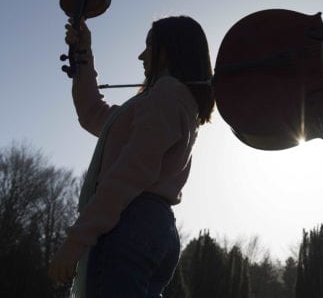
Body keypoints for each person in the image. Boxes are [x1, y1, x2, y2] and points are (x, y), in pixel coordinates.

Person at [49, 16, 214, 297]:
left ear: (166, 51)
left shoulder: (167, 96)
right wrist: (83, 54)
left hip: (131, 222)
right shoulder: (161, 102)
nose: (141, 55)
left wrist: (76, 241)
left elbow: (130, 172)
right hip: (150, 227)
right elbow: (92, 112)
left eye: (149, 46)